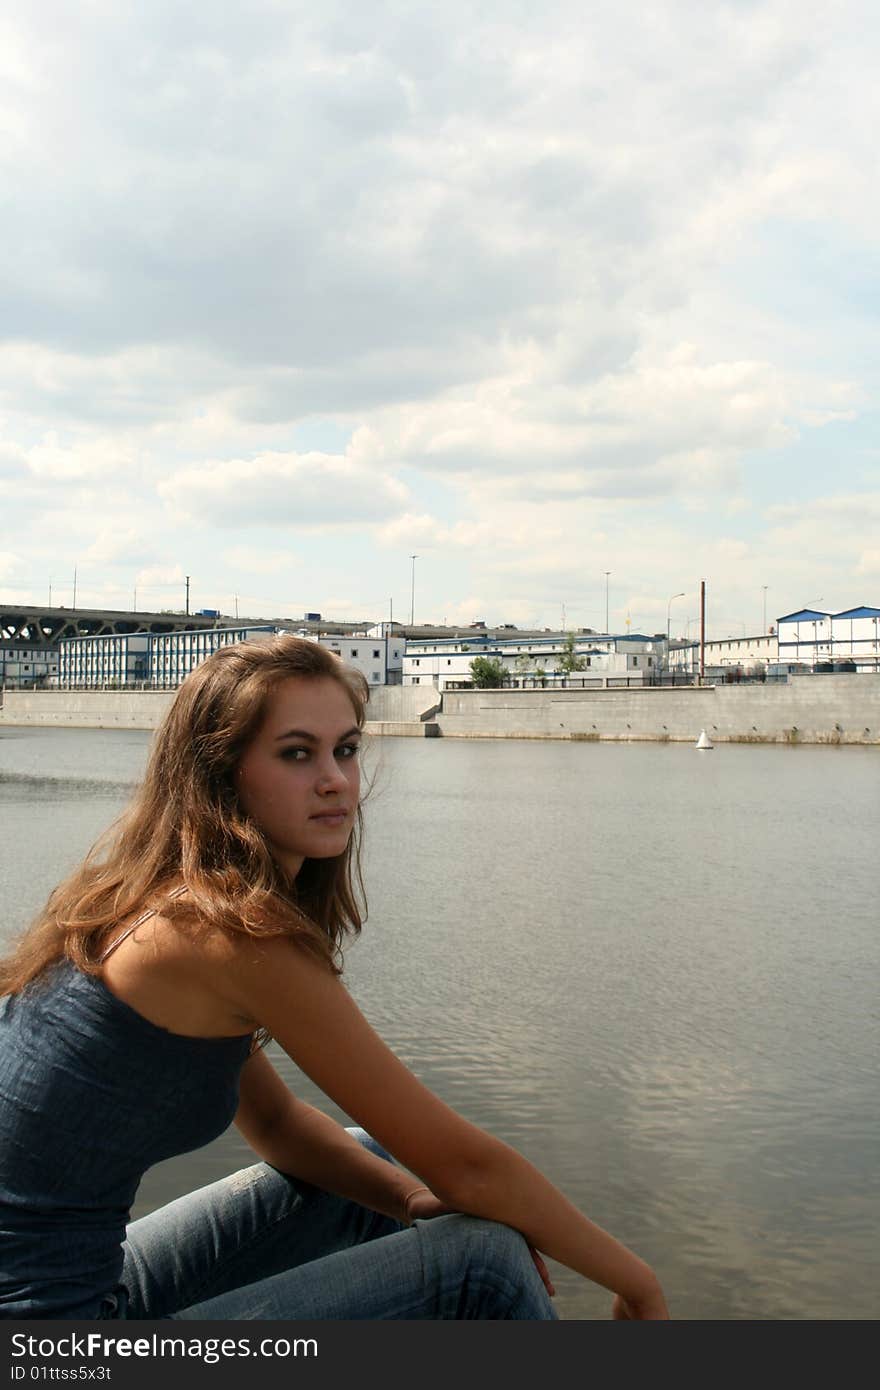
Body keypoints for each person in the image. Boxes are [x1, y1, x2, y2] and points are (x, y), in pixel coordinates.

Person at [0, 635, 669, 1321]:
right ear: (221, 775)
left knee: (363, 1165)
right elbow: (465, 1167)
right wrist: (637, 1282)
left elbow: (277, 1123)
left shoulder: (166, 904)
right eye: (297, 754)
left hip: (80, 1279)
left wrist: (407, 1199)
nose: (336, 780)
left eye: (345, 749)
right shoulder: (220, 932)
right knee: (484, 1271)